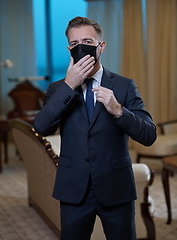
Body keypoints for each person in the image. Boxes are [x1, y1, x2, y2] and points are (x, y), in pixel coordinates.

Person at [34, 16, 156, 240]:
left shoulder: (124, 85)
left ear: (101, 46)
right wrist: (70, 85)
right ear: (69, 49)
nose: (80, 47)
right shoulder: (57, 88)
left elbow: (149, 135)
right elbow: (41, 127)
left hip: (116, 188)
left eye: (88, 42)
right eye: (74, 44)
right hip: (73, 189)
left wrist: (119, 110)